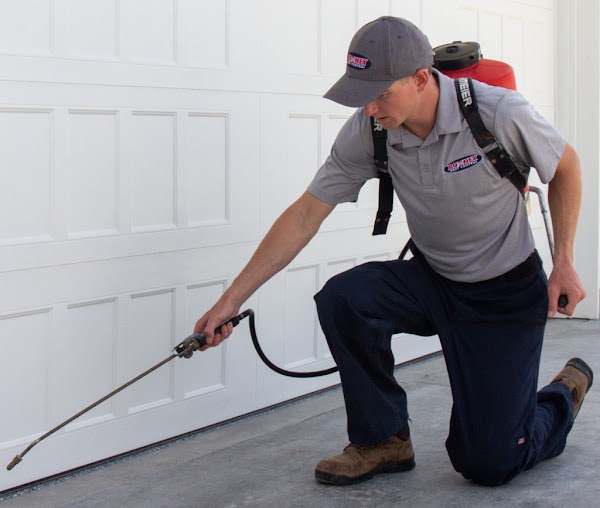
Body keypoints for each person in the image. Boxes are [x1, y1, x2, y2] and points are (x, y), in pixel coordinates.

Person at [193, 16, 593, 487]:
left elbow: (566, 168)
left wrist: (564, 262)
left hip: (502, 293)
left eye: (381, 93)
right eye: (363, 94)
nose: (369, 108)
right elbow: (305, 214)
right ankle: (383, 440)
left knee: (490, 462)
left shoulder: (497, 112)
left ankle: (562, 394)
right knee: (345, 298)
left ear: (421, 78)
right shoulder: (372, 128)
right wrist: (231, 299)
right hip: (433, 280)